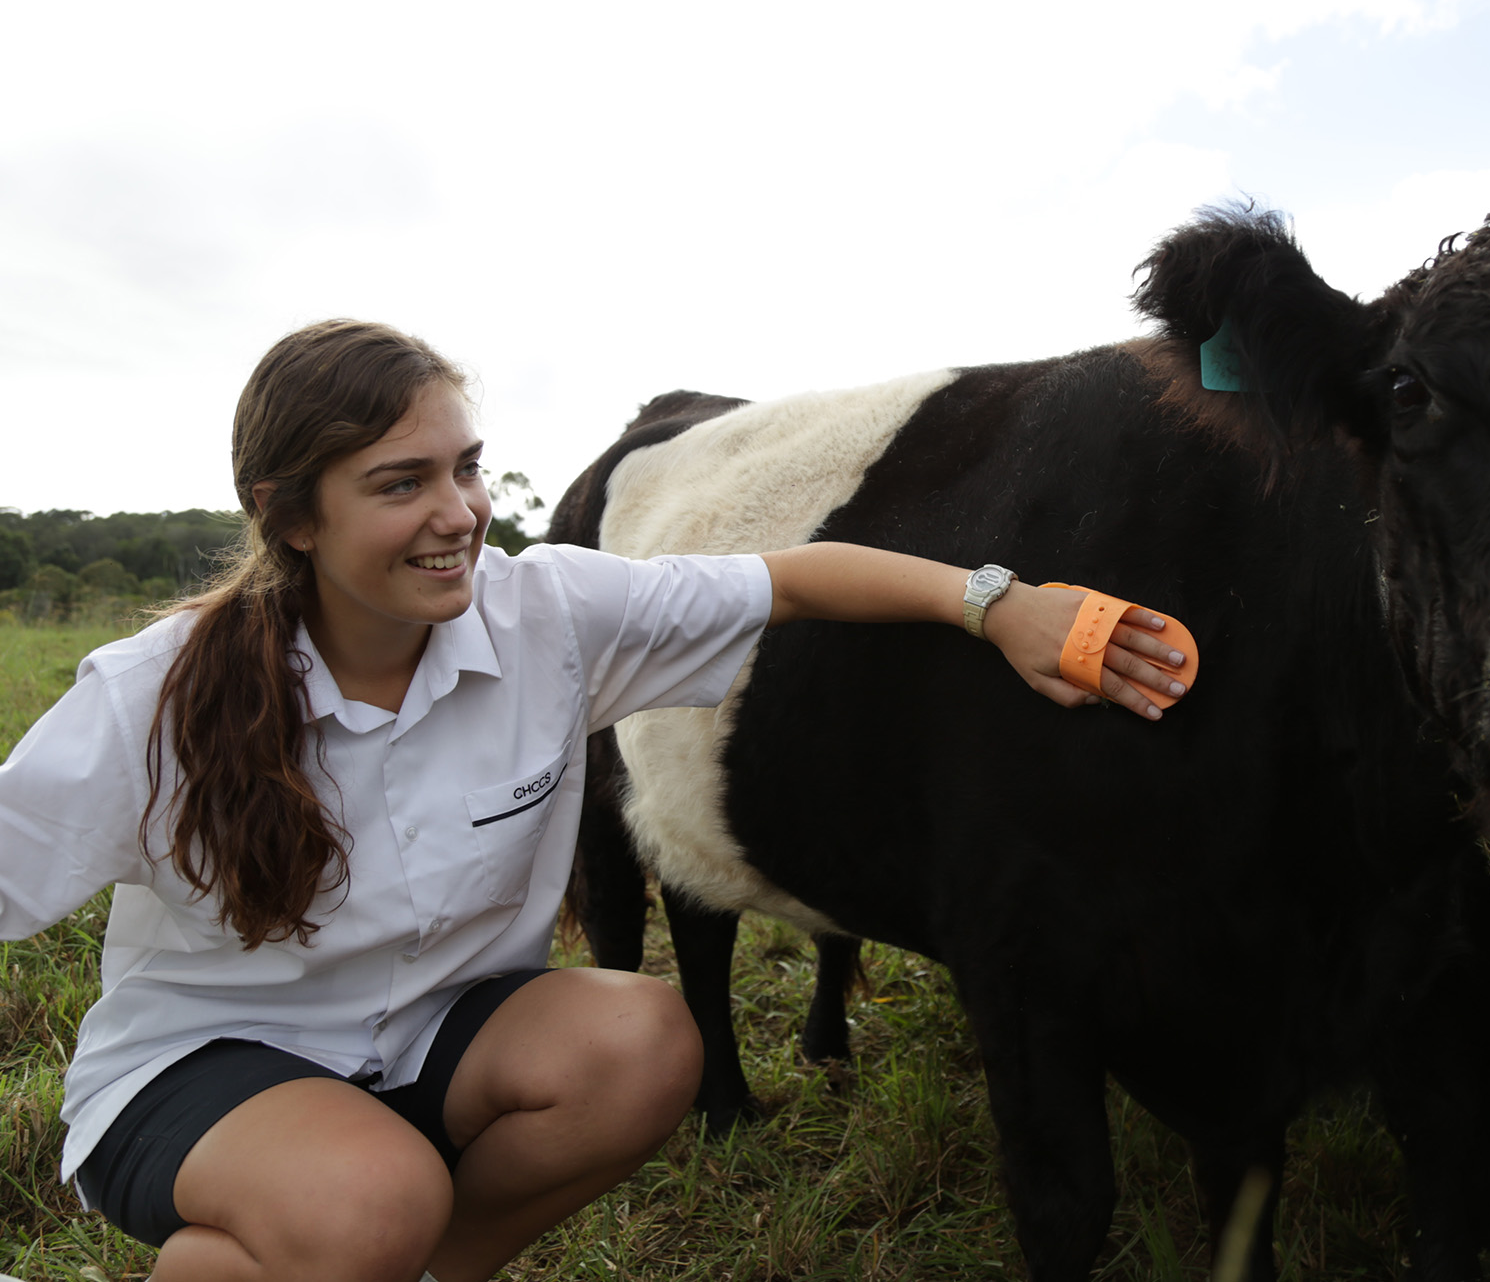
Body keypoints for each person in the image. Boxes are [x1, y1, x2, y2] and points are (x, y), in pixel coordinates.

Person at [0, 320, 1194, 1282]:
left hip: (435, 1035)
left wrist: (996, 601)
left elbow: (796, 577)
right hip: (210, 1065)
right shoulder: (152, 700)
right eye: (399, 482)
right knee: (373, 1197)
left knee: (643, 1040)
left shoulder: (547, 615)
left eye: (465, 467)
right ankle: (350, 1232)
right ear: (290, 514)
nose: (459, 511)